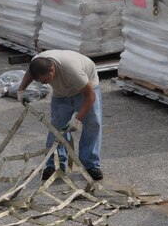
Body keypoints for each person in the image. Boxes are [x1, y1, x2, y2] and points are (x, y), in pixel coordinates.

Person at [16, 50, 103, 182]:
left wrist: (77, 119)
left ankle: (90, 165)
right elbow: (30, 73)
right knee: (56, 127)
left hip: (86, 88)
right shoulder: (38, 62)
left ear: (52, 69)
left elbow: (90, 96)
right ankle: (55, 165)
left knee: (93, 124)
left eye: (45, 80)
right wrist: (21, 90)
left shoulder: (72, 70)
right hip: (61, 93)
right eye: (40, 82)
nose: (44, 84)